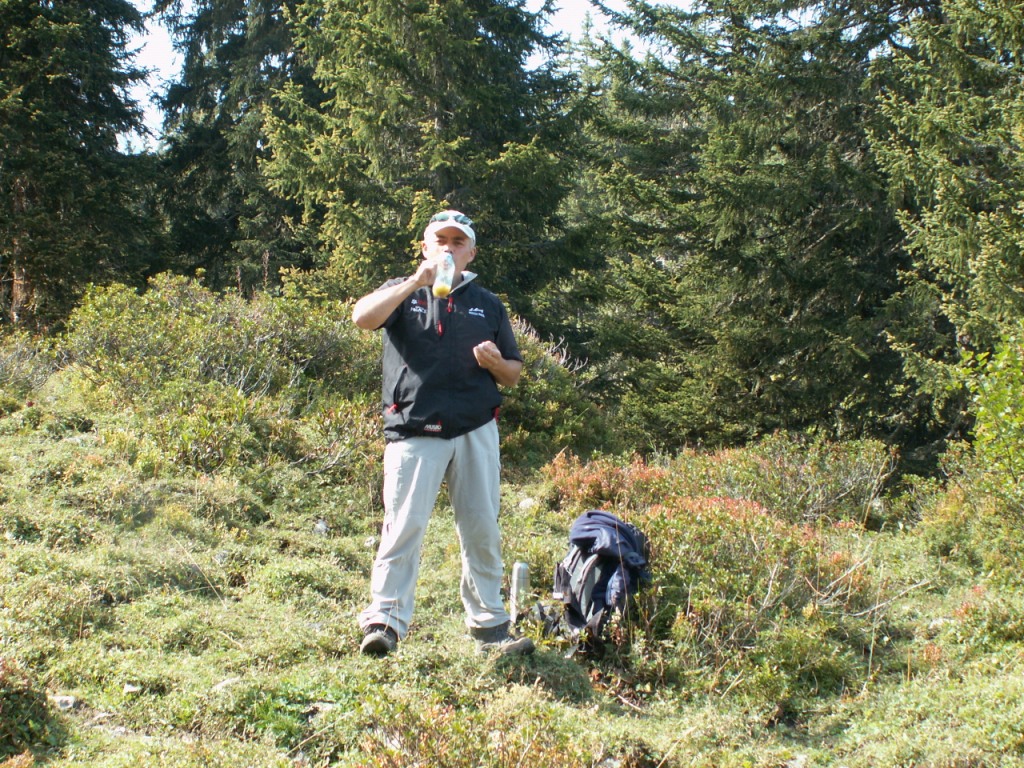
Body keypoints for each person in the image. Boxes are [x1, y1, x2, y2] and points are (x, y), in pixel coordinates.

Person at [352, 210, 534, 657]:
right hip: (414, 428)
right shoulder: (403, 291)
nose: (448, 249)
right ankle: (385, 622)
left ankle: (490, 627)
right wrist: (415, 282)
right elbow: (362, 318)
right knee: (404, 527)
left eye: (458, 242)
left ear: (471, 253)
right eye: (440, 240)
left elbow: (512, 374)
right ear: (425, 247)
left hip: (475, 428)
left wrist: (496, 363)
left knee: (481, 528)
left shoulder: (488, 304)